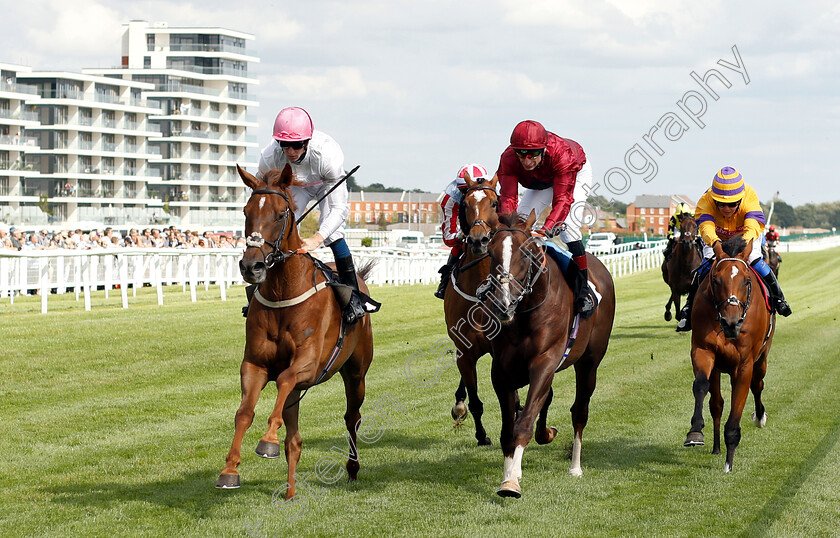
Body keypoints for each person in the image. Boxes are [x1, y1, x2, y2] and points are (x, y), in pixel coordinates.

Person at [250, 106, 365, 324]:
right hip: (297, 186)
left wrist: (317, 238)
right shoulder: (269, 157)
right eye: (285, 144)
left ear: (308, 141)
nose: (291, 151)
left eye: (297, 144)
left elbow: (339, 209)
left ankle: (354, 299)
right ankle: (260, 290)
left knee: (333, 234)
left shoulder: (328, 155)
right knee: (283, 228)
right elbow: (261, 194)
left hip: (326, 183)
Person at [497, 120, 597, 317]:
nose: (526, 161)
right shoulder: (508, 158)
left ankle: (583, 291)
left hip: (574, 174)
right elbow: (508, 199)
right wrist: (511, 226)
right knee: (519, 224)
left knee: (568, 226)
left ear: (543, 149)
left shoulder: (561, 154)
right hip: (541, 181)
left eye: (533, 154)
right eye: (521, 154)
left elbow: (563, 200)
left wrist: (550, 225)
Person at [676, 167, 792, 332]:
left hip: (745, 235)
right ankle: (688, 309)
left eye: (731, 204)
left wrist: (744, 249)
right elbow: (707, 228)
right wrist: (717, 248)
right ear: (714, 199)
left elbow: (751, 228)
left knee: (756, 261)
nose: (726, 209)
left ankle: (779, 299)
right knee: (705, 265)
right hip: (716, 236)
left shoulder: (749, 196)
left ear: (740, 199)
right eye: (721, 204)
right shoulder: (706, 200)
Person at [434, 163, 491, 299]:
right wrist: (463, 234)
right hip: (467, 229)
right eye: (465, 190)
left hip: (490, 227)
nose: (470, 193)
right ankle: (445, 283)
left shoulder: (496, 189)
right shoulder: (450, 198)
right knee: (457, 248)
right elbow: (448, 238)